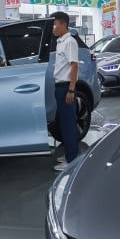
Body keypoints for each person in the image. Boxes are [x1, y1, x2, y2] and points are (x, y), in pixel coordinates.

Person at [51, 11, 80, 171]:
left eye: (55, 24)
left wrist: (71, 90)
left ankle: (72, 160)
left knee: (69, 123)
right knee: (64, 122)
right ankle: (70, 153)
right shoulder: (60, 42)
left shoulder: (70, 42)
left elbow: (74, 66)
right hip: (59, 86)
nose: (53, 27)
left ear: (63, 24)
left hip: (65, 87)